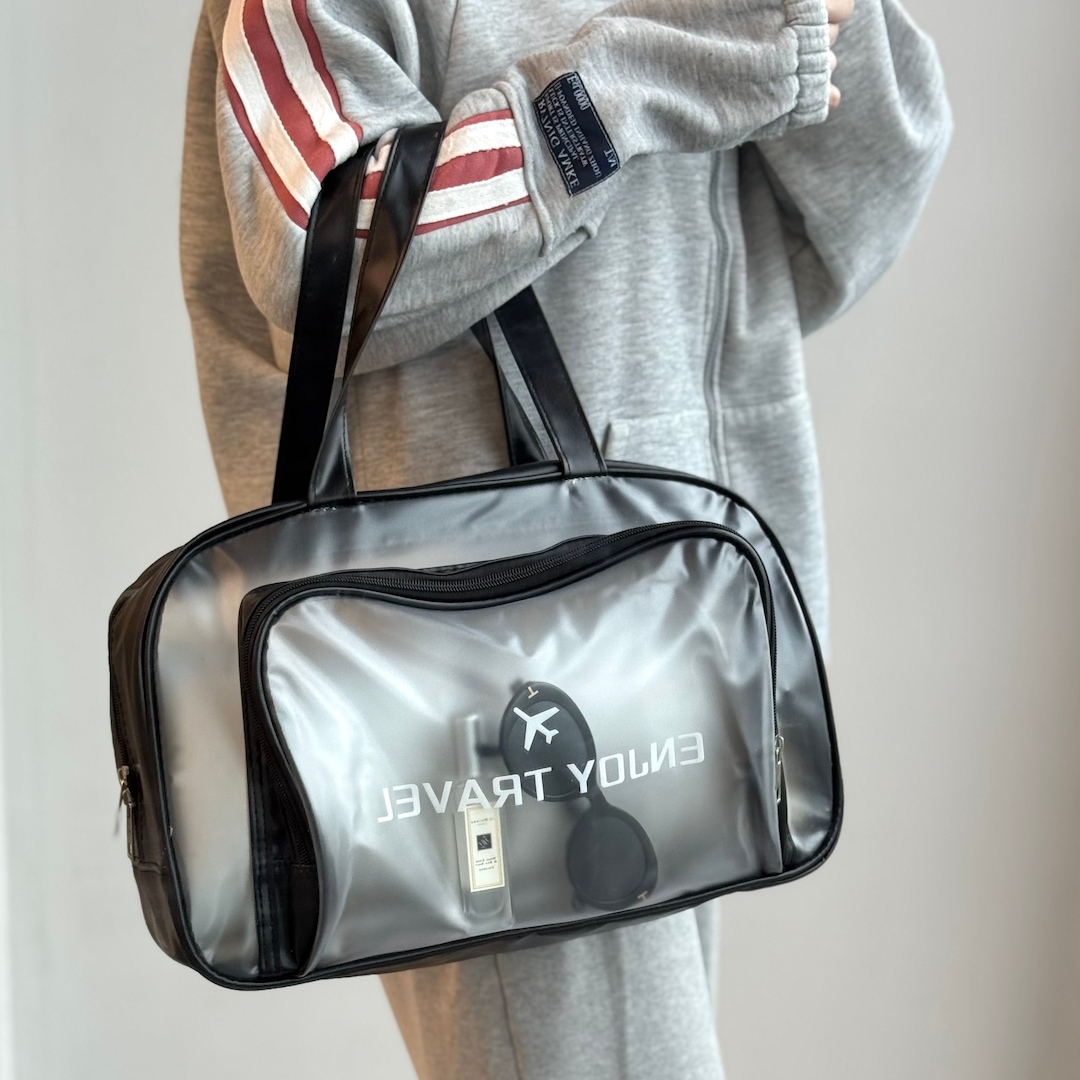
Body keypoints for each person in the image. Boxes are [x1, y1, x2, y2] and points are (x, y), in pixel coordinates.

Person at [179, 0, 951, 1076]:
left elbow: (851, 217)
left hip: (692, 621)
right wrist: (628, 89)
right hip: (492, 676)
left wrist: (811, 38)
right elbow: (326, 244)